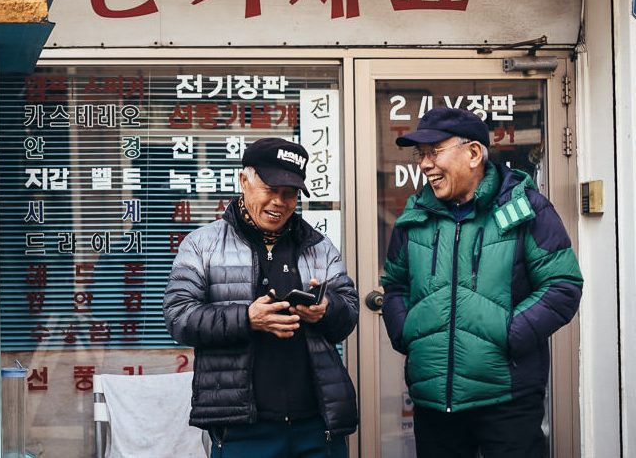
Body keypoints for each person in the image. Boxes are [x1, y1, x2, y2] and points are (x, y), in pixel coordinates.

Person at [380, 108, 583, 458]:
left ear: (473, 153)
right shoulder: (415, 217)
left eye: (434, 152)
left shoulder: (525, 208)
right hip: (434, 399)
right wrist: (406, 332)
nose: (425, 164)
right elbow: (395, 285)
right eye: (421, 155)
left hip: (508, 397)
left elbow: (562, 285)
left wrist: (508, 333)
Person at [163, 137, 358, 458]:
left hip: (316, 423)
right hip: (242, 427)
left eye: (290, 194)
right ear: (244, 181)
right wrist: (247, 318)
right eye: (270, 189)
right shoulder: (202, 244)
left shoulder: (319, 246)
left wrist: (325, 310)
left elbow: (348, 312)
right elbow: (179, 317)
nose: (280, 202)